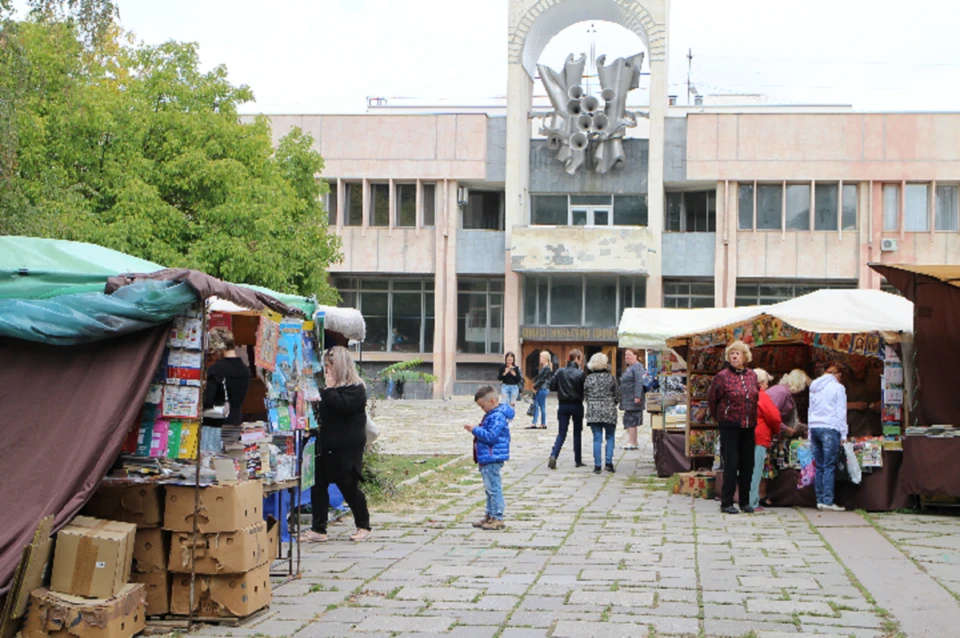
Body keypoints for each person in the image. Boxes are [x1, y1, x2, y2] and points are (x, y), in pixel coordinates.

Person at [302, 346, 372, 543]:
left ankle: (363, 525)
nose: (326, 370)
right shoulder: (327, 390)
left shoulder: (356, 389)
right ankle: (318, 528)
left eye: (329, 366)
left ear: (339, 367)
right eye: (325, 366)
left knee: (348, 486)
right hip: (325, 444)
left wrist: (330, 389)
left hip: (346, 447)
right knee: (318, 486)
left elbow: (341, 407)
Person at [707, 340, 760, 515]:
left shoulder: (752, 375)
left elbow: (755, 396)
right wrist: (722, 418)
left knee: (748, 463)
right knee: (731, 463)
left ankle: (744, 501)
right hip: (729, 424)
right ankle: (727, 501)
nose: (734, 356)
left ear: (745, 356)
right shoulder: (722, 376)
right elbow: (712, 400)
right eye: (732, 354)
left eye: (737, 353)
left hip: (748, 424)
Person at [465, 385, 513, 531]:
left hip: (492, 456)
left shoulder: (497, 416)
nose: (482, 409)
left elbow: (491, 437)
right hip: (487, 456)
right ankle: (490, 515)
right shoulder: (493, 414)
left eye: (483, 406)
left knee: (494, 488)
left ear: (492, 401)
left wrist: (475, 430)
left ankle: (497, 517)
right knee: (489, 489)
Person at [202, 328, 252, 451]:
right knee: (228, 461)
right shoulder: (245, 370)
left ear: (218, 348)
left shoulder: (216, 370)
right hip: (234, 423)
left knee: (211, 462)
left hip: (214, 424)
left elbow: (208, 400)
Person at [808, 363, 848, 512]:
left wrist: (810, 431)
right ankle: (828, 501)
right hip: (830, 427)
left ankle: (819, 499)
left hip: (815, 426)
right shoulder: (838, 388)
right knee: (829, 465)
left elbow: (810, 409)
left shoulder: (814, 387)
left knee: (819, 465)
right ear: (837, 375)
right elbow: (841, 411)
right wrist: (844, 433)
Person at [749, 369, 782, 512]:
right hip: (759, 435)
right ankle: (752, 501)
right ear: (761, 382)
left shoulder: (743, 394)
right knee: (756, 470)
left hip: (743, 435)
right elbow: (774, 417)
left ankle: (744, 499)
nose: (768, 386)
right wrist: (775, 430)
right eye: (767, 383)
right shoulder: (761, 396)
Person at [548, 350, 586, 469]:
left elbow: (552, 386)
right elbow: (584, 389)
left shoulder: (560, 372)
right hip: (577, 404)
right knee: (577, 433)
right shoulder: (580, 373)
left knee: (562, 433)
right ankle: (578, 460)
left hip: (563, 404)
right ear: (577, 359)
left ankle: (554, 454)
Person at [584, 352, 620, 474]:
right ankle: (609, 463)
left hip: (594, 410)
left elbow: (586, 395)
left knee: (597, 438)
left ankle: (597, 465)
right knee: (610, 437)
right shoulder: (611, 378)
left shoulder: (589, 378)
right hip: (609, 409)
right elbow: (617, 395)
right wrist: (612, 403)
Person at [843, 357, 882, 437]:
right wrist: (853, 405)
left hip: (875, 424)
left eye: (858, 361)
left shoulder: (874, 375)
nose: (855, 364)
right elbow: (835, 404)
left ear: (865, 361)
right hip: (855, 426)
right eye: (852, 361)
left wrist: (881, 403)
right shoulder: (845, 378)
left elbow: (885, 394)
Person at [620, 348, 649, 450]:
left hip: (633, 399)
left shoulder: (637, 367)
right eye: (626, 355)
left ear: (636, 355)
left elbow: (639, 382)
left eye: (629, 355)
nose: (627, 357)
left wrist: (637, 396)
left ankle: (632, 441)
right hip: (628, 398)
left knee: (631, 419)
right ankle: (633, 440)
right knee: (630, 419)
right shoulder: (630, 367)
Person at [528, 351, 553, 430]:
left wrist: (535, 386)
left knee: (539, 406)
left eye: (541, 357)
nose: (540, 359)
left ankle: (540, 422)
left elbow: (542, 379)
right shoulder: (544, 368)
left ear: (545, 358)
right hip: (541, 388)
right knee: (538, 405)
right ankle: (537, 422)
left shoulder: (547, 368)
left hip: (542, 389)